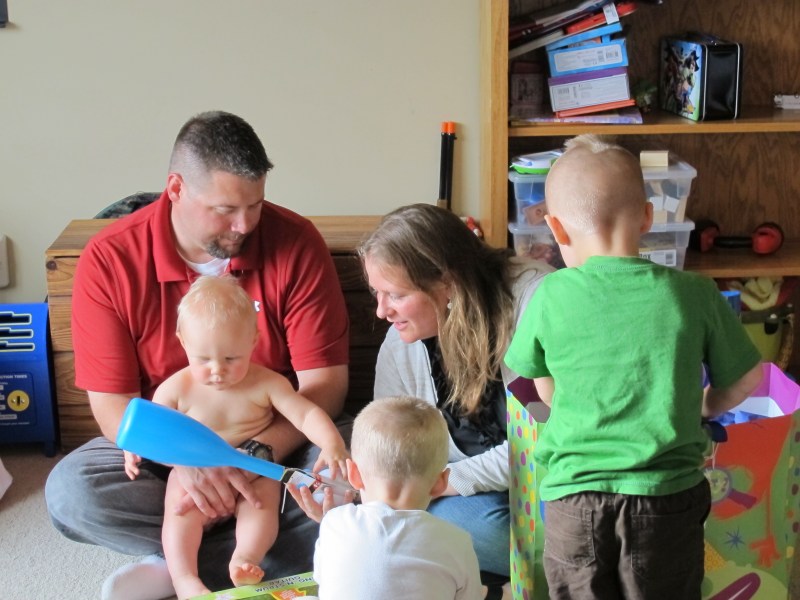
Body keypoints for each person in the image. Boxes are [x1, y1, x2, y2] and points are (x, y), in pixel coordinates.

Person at [44, 110, 350, 600]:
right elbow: (114, 409)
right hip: (165, 452)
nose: (244, 224)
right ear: (176, 189)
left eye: (255, 205)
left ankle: (177, 564)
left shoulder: (295, 242)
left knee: (358, 473)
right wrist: (190, 461)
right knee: (72, 493)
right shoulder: (110, 258)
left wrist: (252, 456)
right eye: (225, 209)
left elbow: (325, 386)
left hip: (273, 442)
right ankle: (240, 557)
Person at [504, 134, 763, 599]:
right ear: (647, 216)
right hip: (665, 497)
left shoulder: (549, 295)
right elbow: (748, 378)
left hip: (573, 500)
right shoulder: (693, 293)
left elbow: (542, 388)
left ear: (556, 229)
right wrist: (706, 405)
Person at [292, 203, 552, 596]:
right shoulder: (402, 345)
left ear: (447, 284)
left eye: (395, 295)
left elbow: (542, 440)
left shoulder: (529, 306)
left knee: (470, 531)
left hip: (543, 480)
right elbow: (393, 448)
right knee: (452, 529)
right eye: (377, 293)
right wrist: (354, 498)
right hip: (457, 496)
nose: (381, 311)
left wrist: (439, 483)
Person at [122, 275, 349, 599]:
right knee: (179, 512)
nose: (217, 369)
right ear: (183, 342)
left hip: (254, 471)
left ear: (253, 341)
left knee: (263, 504)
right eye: (203, 359)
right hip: (196, 478)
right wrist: (135, 447)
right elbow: (153, 428)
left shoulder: (267, 383)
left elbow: (305, 414)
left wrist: (331, 443)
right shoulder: (176, 388)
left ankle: (245, 558)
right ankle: (184, 578)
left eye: (231, 358)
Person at [312, 395, 483, 599]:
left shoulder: (333, 522)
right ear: (441, 483)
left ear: (354, 474)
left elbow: (324, 581)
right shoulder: (457, 541)